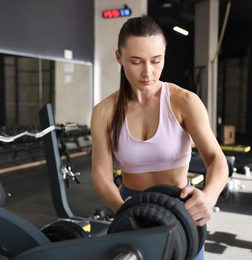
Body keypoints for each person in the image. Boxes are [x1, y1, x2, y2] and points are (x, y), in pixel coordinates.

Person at [91, 15, 229, 259]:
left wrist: (208, 197)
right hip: (129, 207)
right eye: (136, 61)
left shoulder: (184, 101)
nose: (147, 72)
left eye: (156, 61)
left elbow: (216, 159)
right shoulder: (105, 111)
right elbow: (101, 175)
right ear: (119, 57)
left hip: (179, 209)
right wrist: (124, 210)